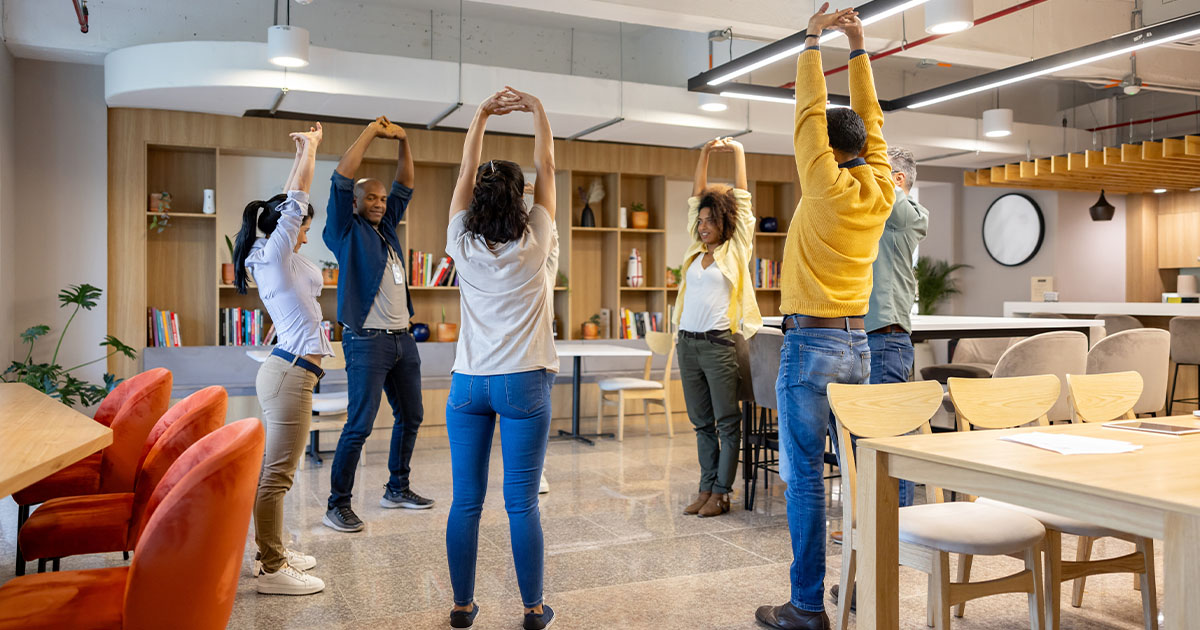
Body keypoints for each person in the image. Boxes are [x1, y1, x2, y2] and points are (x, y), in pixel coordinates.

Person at [755, 5, 896, 630]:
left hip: (810, 346)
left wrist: (813, 39)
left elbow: (808, 111)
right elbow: (874, 125)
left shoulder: (822, 184)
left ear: (826, 149)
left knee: (806, 477)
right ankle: (856, 592)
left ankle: (808, 605)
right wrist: (859, 46)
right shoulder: (882, 188)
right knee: (858, 475)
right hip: (858, 343)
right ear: (863, 147)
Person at [443, 86, 558, 630]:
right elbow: (548, 168)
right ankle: (534, 610)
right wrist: (536, 109)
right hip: (522, 384)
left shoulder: (460, 243)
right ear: (522, 200)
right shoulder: (535, 241)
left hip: (468, 385)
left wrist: (481, 116)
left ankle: (463, 608)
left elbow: (464, 172)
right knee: (521, 505)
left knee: (466, 503)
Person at [322, 116, 432, 533]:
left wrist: (404, 140)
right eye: (371, 197)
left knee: (412, 416)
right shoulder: (344, 231)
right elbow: (342, 176)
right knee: (360, 425)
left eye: (383, 199)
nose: (380, 203)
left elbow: (405, 182)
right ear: (355, 201)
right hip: (367, 342)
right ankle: (338, 504)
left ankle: (397, 488)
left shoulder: (387, 229)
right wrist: (372, 132)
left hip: (404, 340)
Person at [233, 122, 330, 596]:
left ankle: (270, 552)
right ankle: (272, 568)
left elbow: (288, 206)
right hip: (290, 373)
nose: (305, 236)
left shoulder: (264, 252)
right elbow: (296, 203)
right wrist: (310, 150)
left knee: (278, 473)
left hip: (290, 371)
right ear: (284, 230)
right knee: (278, 475)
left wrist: (299, 155)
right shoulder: (273, 255)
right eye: (303, 230)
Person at [674, 136, 761, 519]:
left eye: (711, 220)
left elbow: (742, 199)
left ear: (725, 223)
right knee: (700, 423)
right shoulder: (696, 250)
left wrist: (738, 152)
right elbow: (696, 197)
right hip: (687, 345)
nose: (704, 224)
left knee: (727, 422)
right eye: (701, 220)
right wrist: (704, 153)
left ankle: (722, 493)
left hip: (719, 345)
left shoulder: (736, 249)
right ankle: (706, 487)